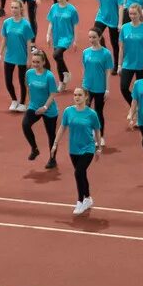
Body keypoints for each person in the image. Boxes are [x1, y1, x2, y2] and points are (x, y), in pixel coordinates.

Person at [56, 84, 102, 215]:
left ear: (86, 97)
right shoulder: (68, 111)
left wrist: (98, 147)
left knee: (78, 172)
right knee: (81, 174)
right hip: (74, 149)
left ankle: (80, 201)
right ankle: (88, 198)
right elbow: (62, 128)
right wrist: (55, 143)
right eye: (75, 95)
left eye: (80, 95)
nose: (77, 97)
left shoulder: (92, 114)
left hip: (88, 148)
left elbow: (97, 130)